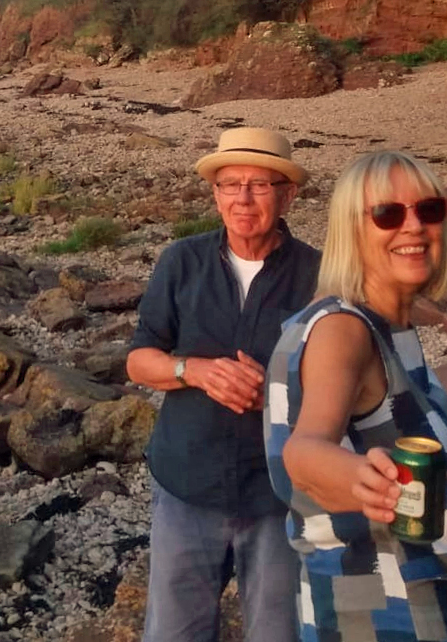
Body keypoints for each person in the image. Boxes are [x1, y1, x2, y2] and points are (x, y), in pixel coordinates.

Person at [263, 151, 447, 642]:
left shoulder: (385, 323)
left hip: (426, 603)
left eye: (429, 210)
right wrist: (358, 478)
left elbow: (384, 441)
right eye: (387, 214)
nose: (414, 226)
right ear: (351, 231)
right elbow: (304, 450)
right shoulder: (343, 331)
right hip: (384, 618)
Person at [128, 127, 322, 642]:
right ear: (215, 195)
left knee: (279, 634)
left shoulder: (320, 275)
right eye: (230, 184)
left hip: (278, 493)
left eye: (259, 185)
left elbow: (344, 387)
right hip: (187, 483)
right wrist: (193, 370)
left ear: (287, 195)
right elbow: (139, 361)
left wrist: (276, 394)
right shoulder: (181, 261)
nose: (243, 198)